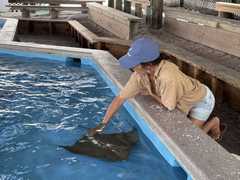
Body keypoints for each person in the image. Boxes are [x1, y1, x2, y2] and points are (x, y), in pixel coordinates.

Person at [88, 37, 222, 140]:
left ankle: (213, 123)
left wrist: (150, 93)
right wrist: (102, 125)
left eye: (134, 64)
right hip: (184, 97)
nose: (132, 67)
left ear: (148, 65)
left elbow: (169, 106)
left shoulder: (168, 76)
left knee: (191, 139)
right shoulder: (139, 74)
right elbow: (120, 98)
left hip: (201, 100)